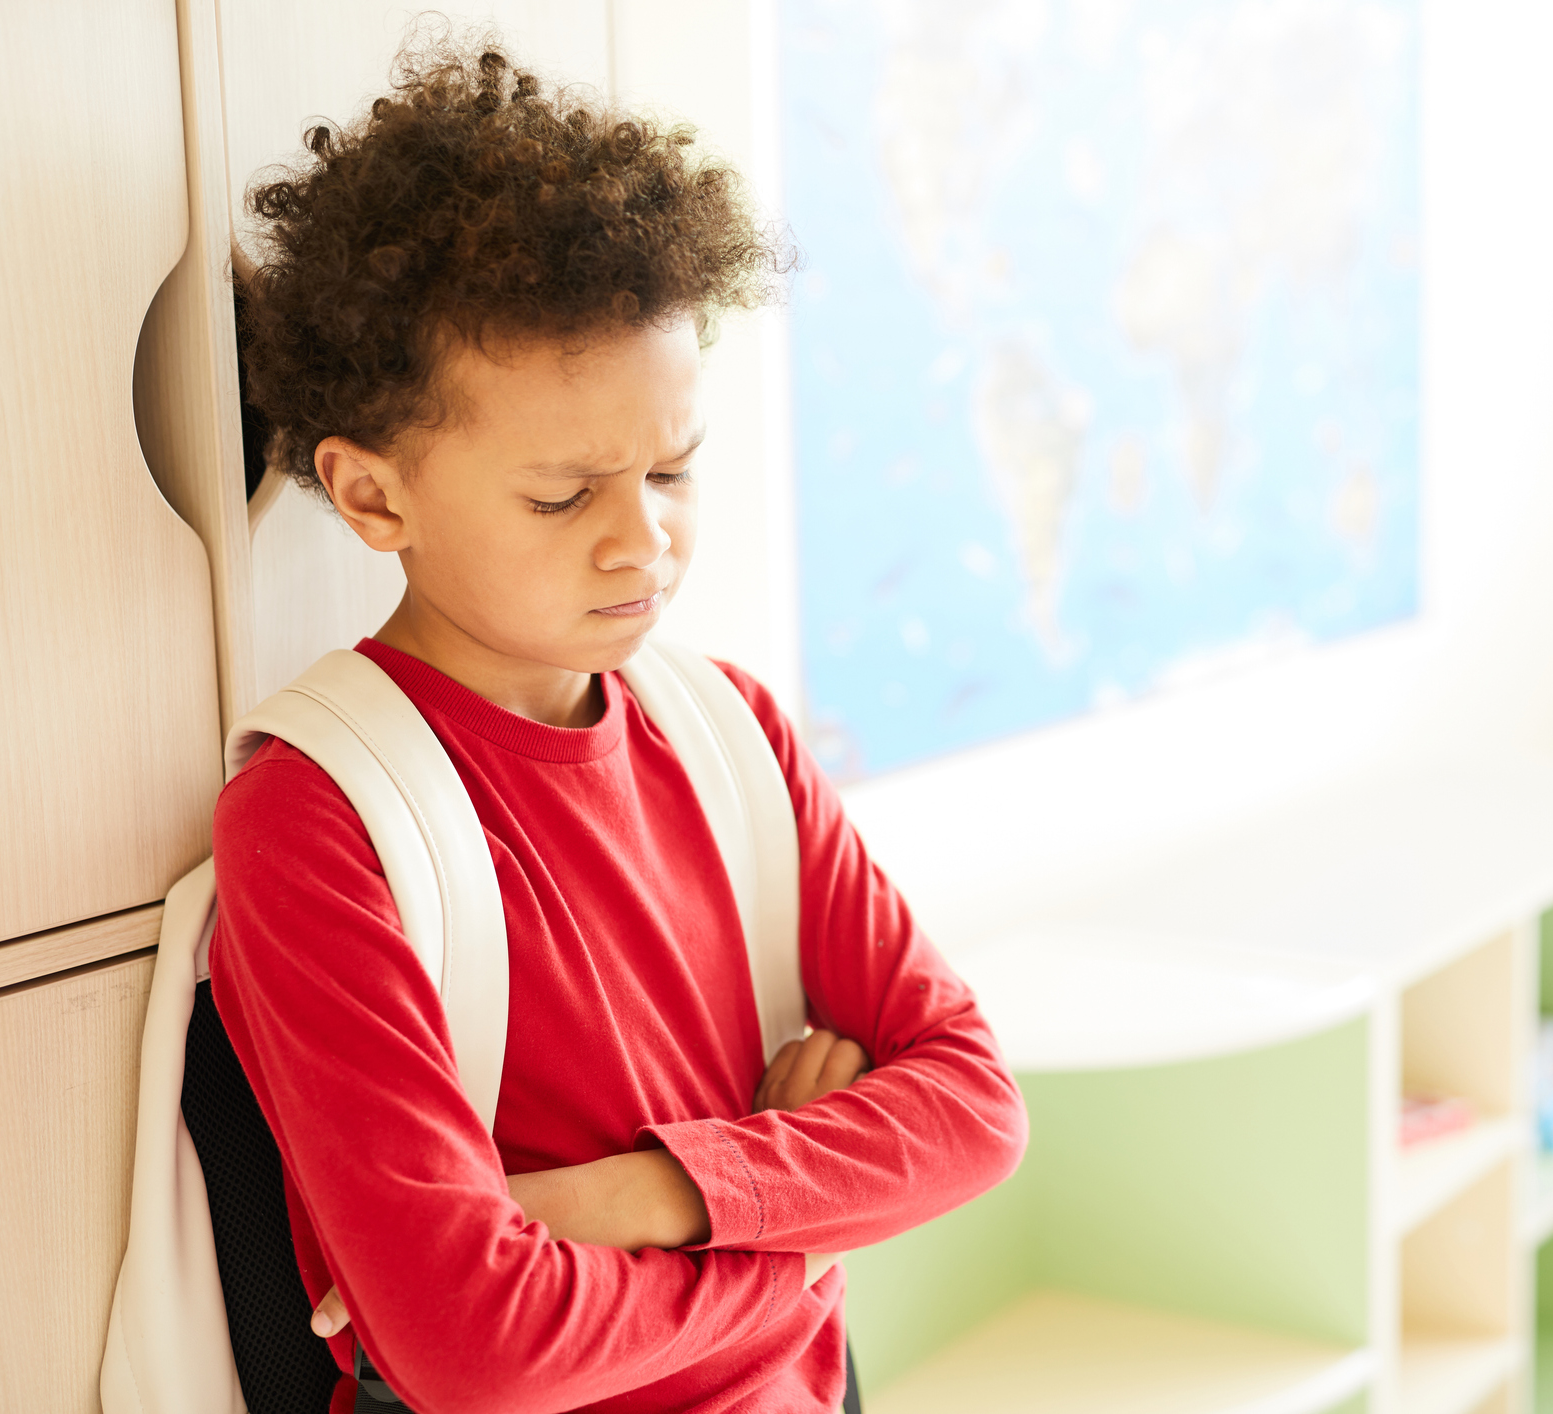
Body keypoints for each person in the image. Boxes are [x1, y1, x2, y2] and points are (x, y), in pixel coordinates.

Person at [213, 33, 1027, 1414]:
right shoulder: (314, 816)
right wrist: (798, 1214)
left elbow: (973, 1112)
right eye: (563, 495)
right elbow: (473, 1345)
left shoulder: (733, 731)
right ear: (371, 498)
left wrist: (643, 1192)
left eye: (670, 467)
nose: (641, 540)